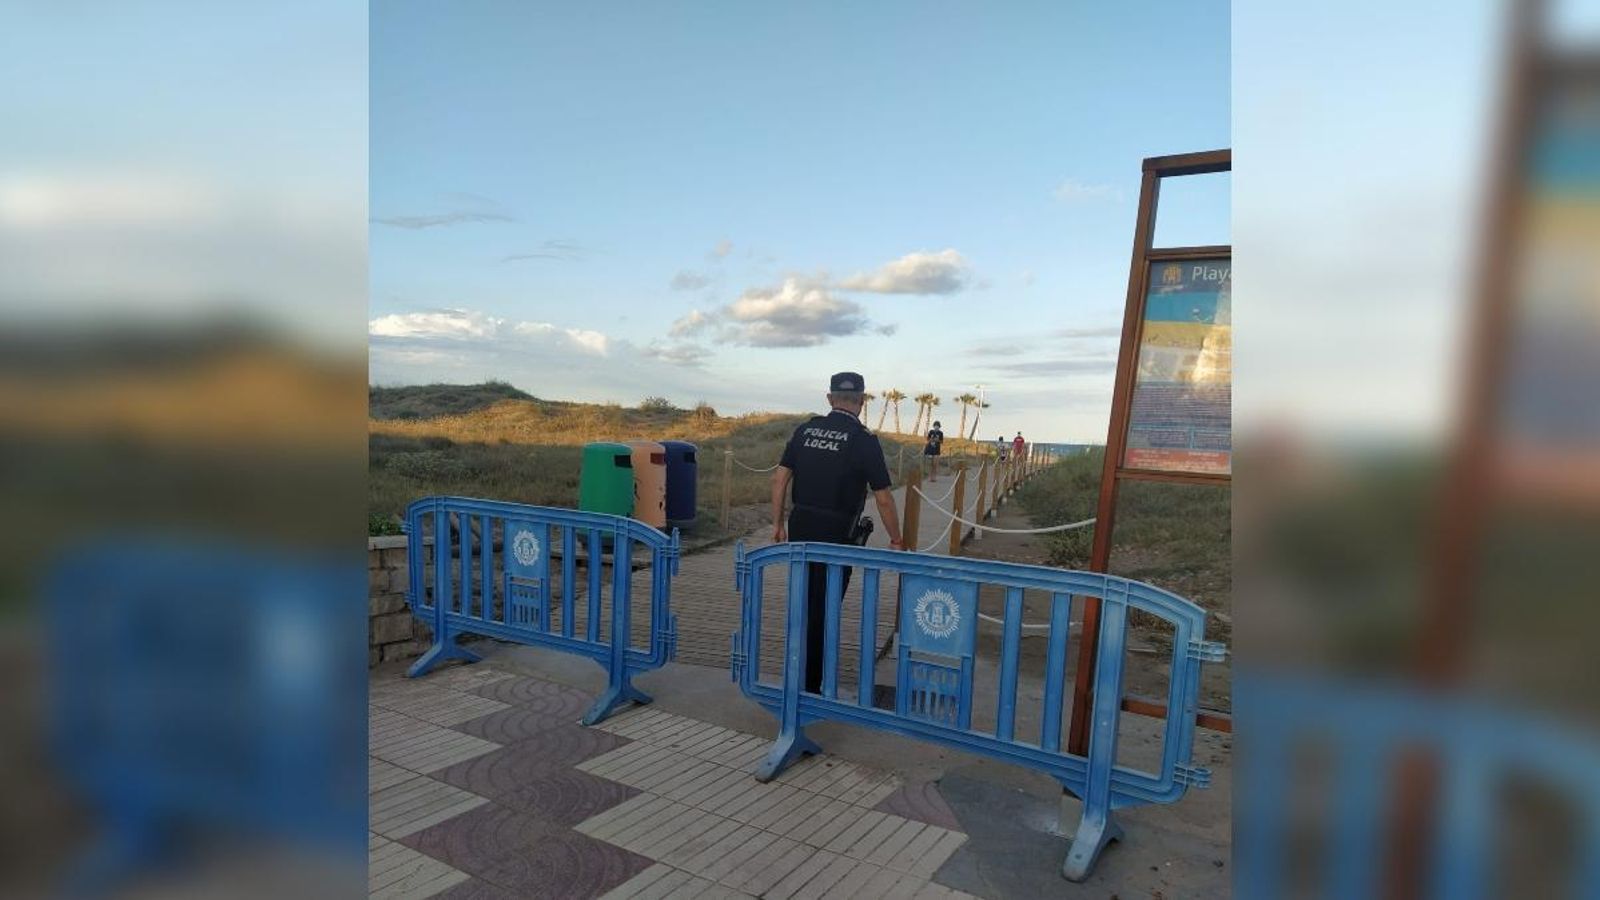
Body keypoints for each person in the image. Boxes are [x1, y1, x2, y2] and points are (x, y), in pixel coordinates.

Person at [772, 372, 905, 694]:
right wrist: (897, 539)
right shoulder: (863, 440)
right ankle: (812, 686)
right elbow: (884, 498)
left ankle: (798, 676)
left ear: (830, 399)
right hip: (837, 534)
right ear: (861, 401)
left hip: (801, 526)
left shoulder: (805, 430)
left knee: (803, 602)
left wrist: (777, 524)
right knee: (826, 606)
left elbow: (779, 479)